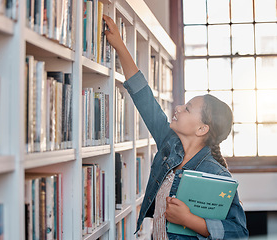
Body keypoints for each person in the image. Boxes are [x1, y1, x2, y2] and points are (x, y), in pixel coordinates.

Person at [103, 15, 249, 240]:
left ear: (202, 129)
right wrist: (120, 45)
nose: (179, 107)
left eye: (188, 108)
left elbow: (238, 233)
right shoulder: (169, 144)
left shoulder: (216, 175)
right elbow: (144, 98)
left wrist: (190, 220)